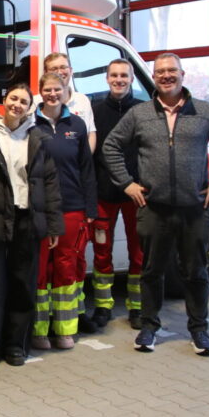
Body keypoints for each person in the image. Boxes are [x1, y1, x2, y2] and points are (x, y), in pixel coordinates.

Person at [103, 53, 209, 356]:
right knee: (152, 272)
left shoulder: (205, 112)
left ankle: (199, 330)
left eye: (171, 71)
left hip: (194, 209)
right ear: (153, 78)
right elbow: (111, 146)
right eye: (160, 72)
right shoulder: (140, 114)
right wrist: (127, 183)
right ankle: (149, 327)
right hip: (154, 208)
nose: (166, 76)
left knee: (196, 272)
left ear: (183, 74)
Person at [0, 82, 63, 374]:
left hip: (27, 221)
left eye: (24, 101)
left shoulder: (38, 138)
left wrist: (53, 224)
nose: (17, 104)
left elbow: (50, 185)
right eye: (13, 98)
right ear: (4, 100)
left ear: (30, 107)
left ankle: (16, 345)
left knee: (22, 286)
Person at [31, 73, 98, 350]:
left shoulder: (77, 124)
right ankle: (39, 330)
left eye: (57, 89)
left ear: (66, 91)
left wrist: (90, 208)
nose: (52, 94)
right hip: (40, 209)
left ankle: (65, 329)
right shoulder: (30, 123)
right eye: (47, 89)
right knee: (40, 270)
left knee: (66, 268)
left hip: (72, 208)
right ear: (40, 92)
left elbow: (87, 169)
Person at [91, 59, 144, 330]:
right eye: (114, 75)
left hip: (137, 194)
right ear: (107, 77)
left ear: (132, 78)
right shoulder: (96, 111)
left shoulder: (144, 111)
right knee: (102, 251)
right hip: (104, 192)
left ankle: (137, 307)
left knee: (138, 252)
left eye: (124, 75)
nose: (119, 79)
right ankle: (103, 306)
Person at [44, 53, 97, 153]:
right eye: (54, 69)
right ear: (45, 73)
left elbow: (90, 134)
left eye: (63, 67)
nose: (59, 72)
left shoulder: (83, 100)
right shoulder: (36, 102)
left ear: (71, 70)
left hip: (76, 166)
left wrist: (86, 160)